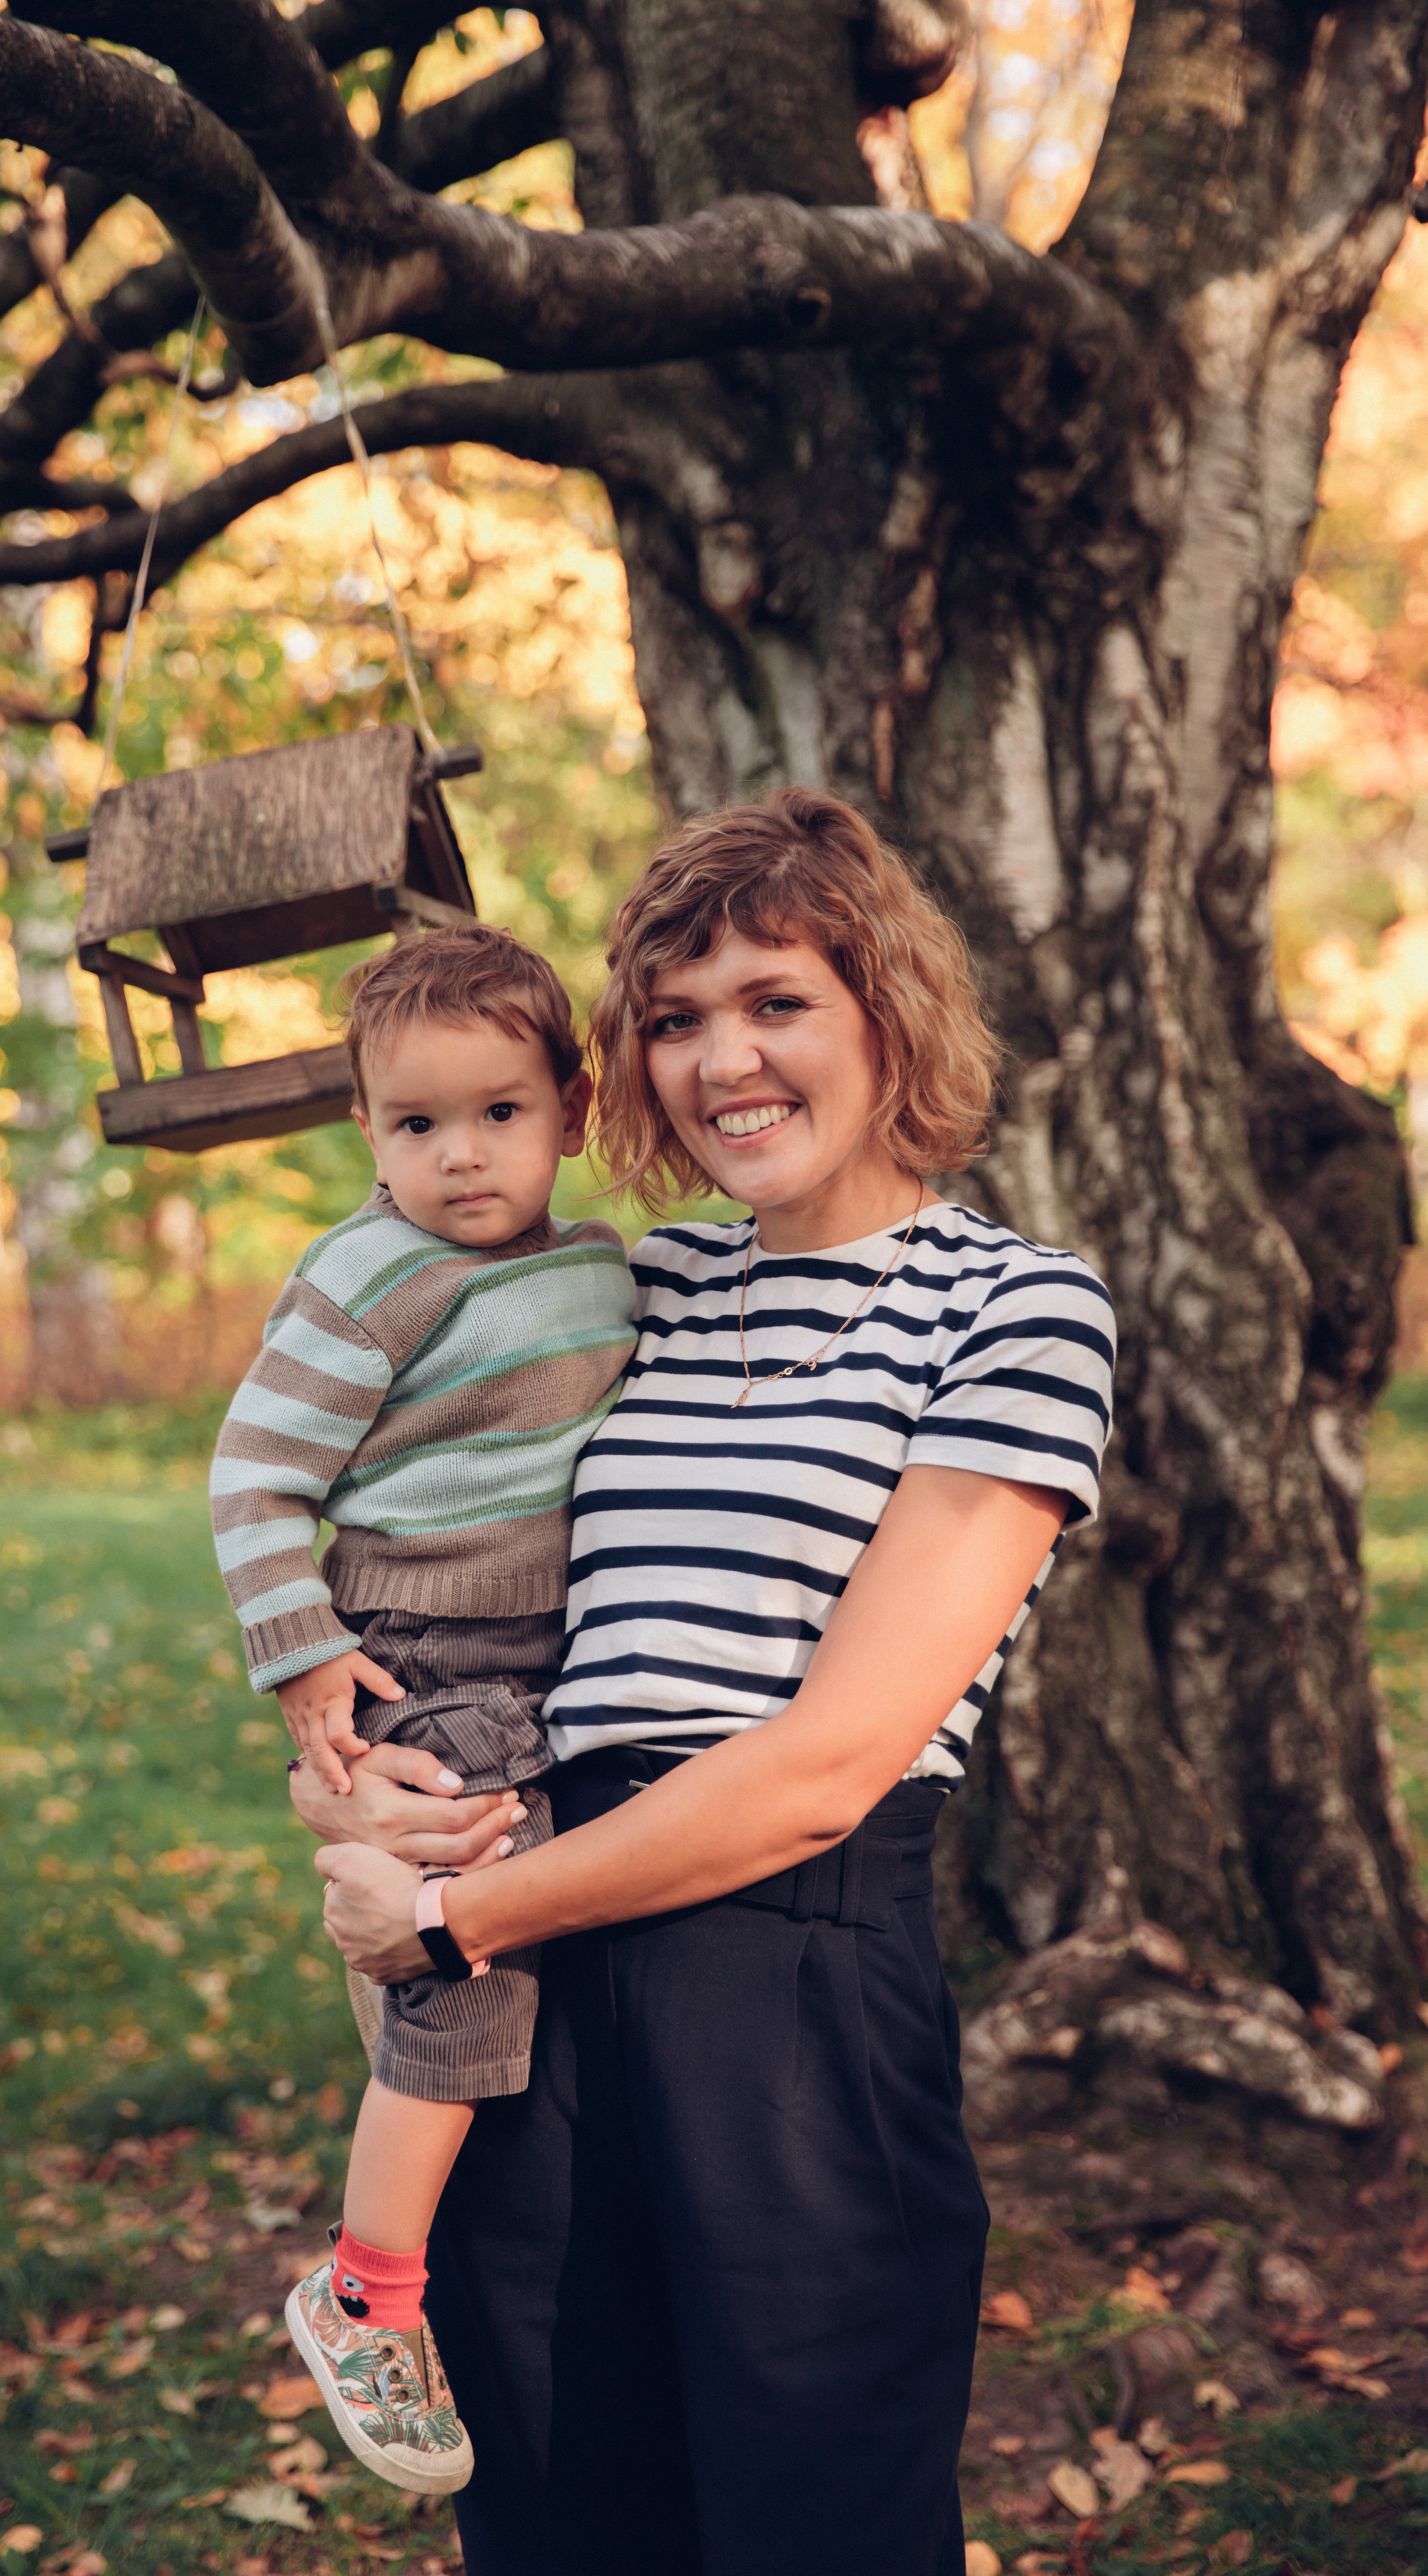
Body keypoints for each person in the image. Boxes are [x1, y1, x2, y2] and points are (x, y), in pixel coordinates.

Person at [299, 788, 1117, 2576]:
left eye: (773, 1001)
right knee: (557, 2499)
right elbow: (422, 1557)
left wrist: (456, 1919)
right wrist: (355, 1779)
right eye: (672, 1018)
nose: (720, 1059)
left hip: (793, 1970)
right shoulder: (621, 1290)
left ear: (883, 1013)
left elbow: (833, 1760)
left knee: (808, 2504)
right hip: (537, 1970)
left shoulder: (1018, 1310)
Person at [209, 923, 635, 2498]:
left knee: (528, 1950)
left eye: (499, 1114)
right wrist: (304, 1652)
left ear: (571, 1113)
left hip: (550, 1662)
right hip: (422, 1657)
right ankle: (368, 2290)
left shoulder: (594, 1266)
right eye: (415, 1123)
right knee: (463, 1969)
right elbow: (252, 1478)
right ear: (365, 1131)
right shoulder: (362, 1275)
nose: (460, 1156)